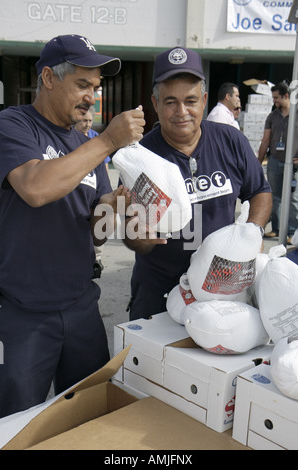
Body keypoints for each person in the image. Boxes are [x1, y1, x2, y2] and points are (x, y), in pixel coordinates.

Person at [0, 34, 145, 419]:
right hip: (21, 312)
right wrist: (110, 140)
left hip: (81, 305)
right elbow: (34, 187)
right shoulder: (13, 125)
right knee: (16, 423)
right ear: (48, 77)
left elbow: (96, 229)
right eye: (82, 84)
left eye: (95, 87)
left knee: (88, 414)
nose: (91, 97)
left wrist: (121, 204)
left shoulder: (85, 144)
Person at [122, 47, 272, 321]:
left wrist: (254, 232)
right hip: (158, 288)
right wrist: (140, 238)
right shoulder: (139, 157)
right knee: (151, 361)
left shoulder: (231, 140)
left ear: (204, 100)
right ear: (155, 104)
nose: (182, 112)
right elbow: (132, 234)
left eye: (190, 100)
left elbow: (260, 191)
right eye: (170, 102)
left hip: (220, 286)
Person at [258, 82, 298, 241]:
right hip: (274, 161)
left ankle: (292, 232)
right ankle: (276, 228)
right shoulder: (272, 116)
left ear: (286, 96)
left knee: (293, 199)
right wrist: (258, 162)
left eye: (276, 97)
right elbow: (265, 140)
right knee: (275, 197)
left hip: (293, 164)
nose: (274, 100)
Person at [74, 105, 110, 271]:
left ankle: (97, 257)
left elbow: (104, 166)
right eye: (84, 121)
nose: (88, 124)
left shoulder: (96, 140)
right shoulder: (69, 141)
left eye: (90, 121)